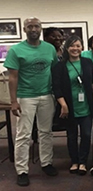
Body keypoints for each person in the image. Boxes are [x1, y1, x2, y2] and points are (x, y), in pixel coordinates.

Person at [4, 17, 58, 186]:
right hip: (26, 96)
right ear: (24, 29)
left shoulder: (49, 49)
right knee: (24, 134)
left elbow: (55, 71)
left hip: (47, 95)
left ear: (41, 28)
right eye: (30, 26)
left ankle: (46, 163)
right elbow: (12, 78)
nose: (33, 29)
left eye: (36, 26)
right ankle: (22, 170)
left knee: (45, 132)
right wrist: (13, 101)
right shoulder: (16, 50)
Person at [51, 35, 93, 175]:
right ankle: (74, 161)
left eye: (78, 46)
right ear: (67, 48)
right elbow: (57, 87)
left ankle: (83, 162)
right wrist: (63, 105)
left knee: (86, 134)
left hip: (86, 106)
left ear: (82, 47)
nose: (75, 48)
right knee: (71, 135)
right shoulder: (59, 66)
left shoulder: (87, 62)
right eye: (72, 46)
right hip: (69, 107)